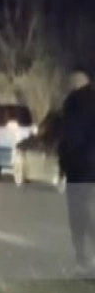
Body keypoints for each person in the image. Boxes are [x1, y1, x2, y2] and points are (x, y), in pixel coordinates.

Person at [58, 70, 95, 270]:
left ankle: (82, 256)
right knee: (86, 209)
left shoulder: (73, 104)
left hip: (79, 166)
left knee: (78, 212)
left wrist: (63, 165)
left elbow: (68, 138)